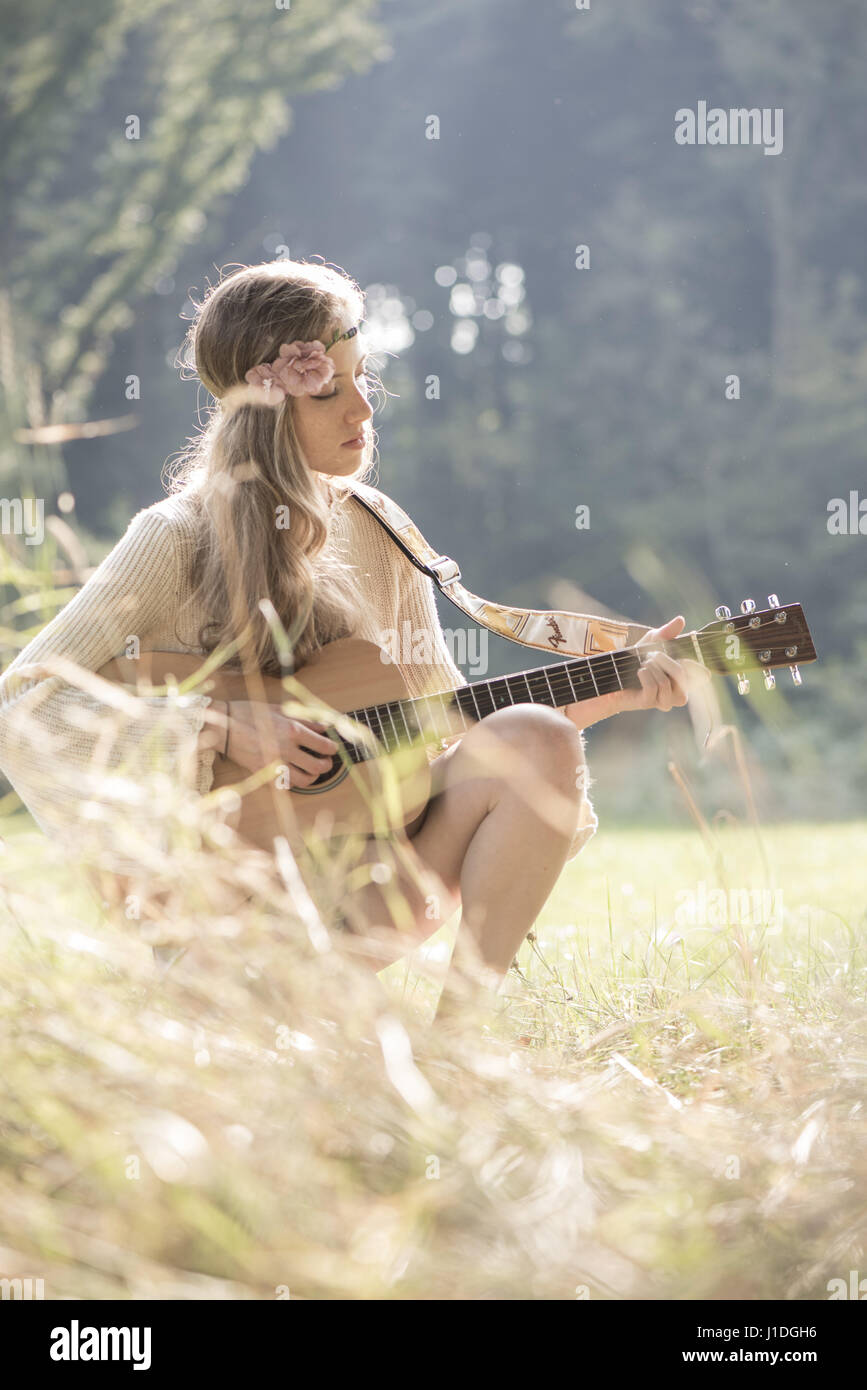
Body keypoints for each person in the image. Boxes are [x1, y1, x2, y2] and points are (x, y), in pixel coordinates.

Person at [0, 259, 692, 1011]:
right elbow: (26, 708)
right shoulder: (172, 536)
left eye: (366, 378)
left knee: (535, 736)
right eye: (331, 388)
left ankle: (453, 1052)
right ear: (261, 408)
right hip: (221, 918)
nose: (363, 409)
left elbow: (444, 727)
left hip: (369, 887)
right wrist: (218, 724)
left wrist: (615, 690)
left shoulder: (377, 528)